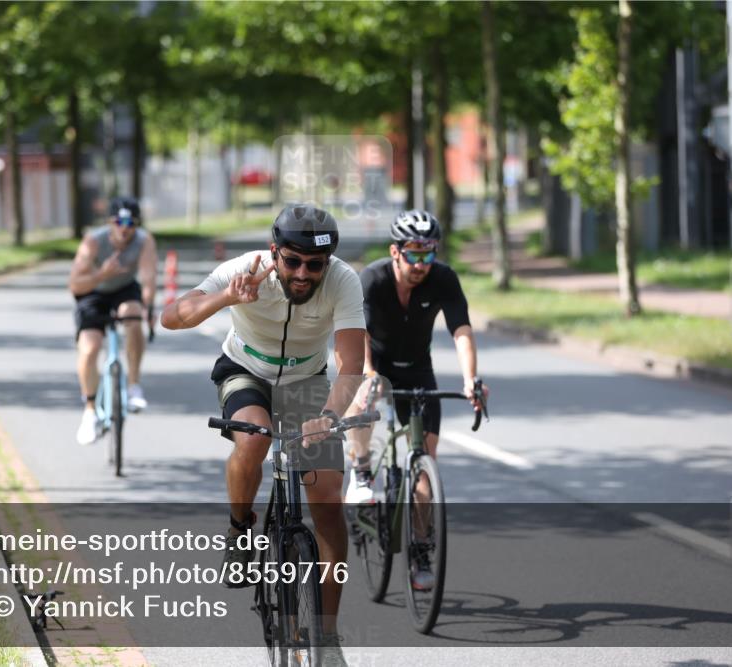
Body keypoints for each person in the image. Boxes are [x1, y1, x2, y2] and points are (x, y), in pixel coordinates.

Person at [161, 205, 364, 665]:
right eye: (292, 261)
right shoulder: (244, 270)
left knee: (329, 498)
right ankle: (239, 530)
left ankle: (326, 637)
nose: (302, 273)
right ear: (275, 252)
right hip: (245, 370)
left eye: (315, 265)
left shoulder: (343, 281)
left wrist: (329, 417)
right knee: (254, 439)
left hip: (308, 382)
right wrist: (225, 300)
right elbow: (172, 316)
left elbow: (352, 365)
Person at [344, 209, 490, 590]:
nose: (422, 262)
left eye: (429, 253)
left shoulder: (443, 278)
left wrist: (471, 378)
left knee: (424, 470)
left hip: (418, 371)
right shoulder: (372, 279)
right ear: (396, 252)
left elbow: (461, 330)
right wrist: (369, 375)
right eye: (414, 253)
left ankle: (421, 548)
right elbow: (356, 332)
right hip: (375, 364)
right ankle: (361, 471)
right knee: (360, 402)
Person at [70, 196, 157, 446]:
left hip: (124, 289)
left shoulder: (143, 241)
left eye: (131, 223)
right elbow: (75, 285)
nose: (125, 228)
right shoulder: (93, 242)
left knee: (133, 315)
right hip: (92, 291)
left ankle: (133, 386)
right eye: (119, 221)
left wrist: (148, 309)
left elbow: (148, 280)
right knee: (90, 348)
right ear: (110, 222)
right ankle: (89, 411)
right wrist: (101, 274)